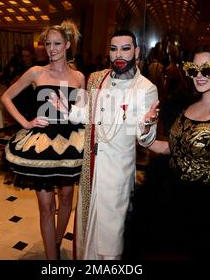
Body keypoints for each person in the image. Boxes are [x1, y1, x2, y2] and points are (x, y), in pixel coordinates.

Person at [51, 30, 159, 260]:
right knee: (87, 232)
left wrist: (148, 126)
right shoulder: (96, 79)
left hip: (117, 174)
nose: (119, 54)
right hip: (90, 168)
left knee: (112, 237)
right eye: (113, 48)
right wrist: (66, 109)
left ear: (137, 52)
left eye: (126, 48)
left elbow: (144, 139)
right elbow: (84, 114)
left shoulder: (145, 89)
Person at [146, 43, 210, 260]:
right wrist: (143, 132)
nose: (199, 75)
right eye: (194, 70)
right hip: (170, 203)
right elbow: (170, 148)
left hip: (205, 213)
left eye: (207, 69)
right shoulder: (184, 107)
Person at [1, 20, 84, 260]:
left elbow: (83, 112)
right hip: (41, 145)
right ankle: (52, 259)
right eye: (47, 44)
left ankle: (56, 242)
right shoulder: (36, 72)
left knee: (67, 198)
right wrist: (25, 123)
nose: (51, 48)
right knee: (46, 206)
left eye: (57, 43)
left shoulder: (79, 76)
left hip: (70, 142)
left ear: (67, 44)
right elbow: (6, 97)